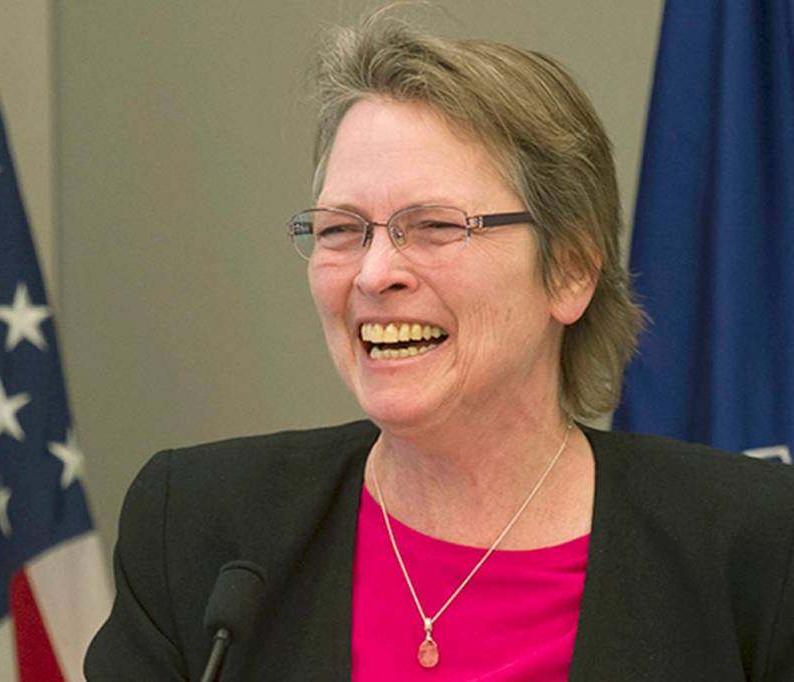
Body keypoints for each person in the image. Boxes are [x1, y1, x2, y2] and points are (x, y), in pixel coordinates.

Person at [84, 13, 794, 681]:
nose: (373, 274)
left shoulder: (757, 546)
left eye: (433, 226)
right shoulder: (201, 528)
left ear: (571, 271)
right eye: (341, 230)